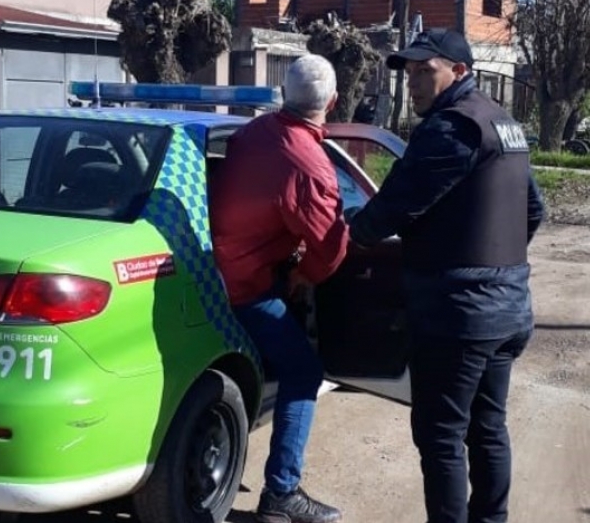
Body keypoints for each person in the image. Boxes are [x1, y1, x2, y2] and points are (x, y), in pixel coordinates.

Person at [347, 28, 546, 523]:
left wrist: (351, 234)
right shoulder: (502, 122)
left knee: (441, 436)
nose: (413, 82)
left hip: (457, 315)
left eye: (424, 71)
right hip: (508, 309)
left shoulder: (450, 127)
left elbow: (393, 207)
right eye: (409, 72)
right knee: (488, 428)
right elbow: (534, 209)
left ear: (460, 71)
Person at [209, 54, 348, 523]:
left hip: (210, 273)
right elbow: (330, 249)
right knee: (304, 371)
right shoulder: (310, 164)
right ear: (332, 101)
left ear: (284, 94)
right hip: (247, 285)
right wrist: (304, 273)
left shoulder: (251, 133)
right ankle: (281, 493)